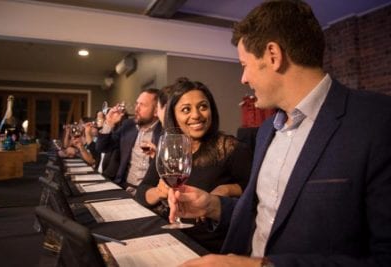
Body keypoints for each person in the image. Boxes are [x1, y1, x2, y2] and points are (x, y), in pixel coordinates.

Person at [167, 1, 391, 266]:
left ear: (273, 55)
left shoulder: (378, 121)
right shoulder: (266, 131)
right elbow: (266, 214)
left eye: (244, 64)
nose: (243, 78)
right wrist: (212, 206)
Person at [135, 78, 252, 253]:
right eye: (186, 109)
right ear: (173, 115)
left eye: (203, 107)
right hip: (167, 236)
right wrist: (159, 192)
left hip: (206, 246)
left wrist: (228, 190)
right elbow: (142, 191)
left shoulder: (230, 148)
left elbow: (255, 193)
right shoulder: (168, 147)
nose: (196, 115)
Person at [96, 88, 162, 195]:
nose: (136, 109)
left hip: (149, 193)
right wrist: (109, 123)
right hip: (124, 187)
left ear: (156, 111)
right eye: (137, 104)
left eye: (142, 105)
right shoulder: (128, 125)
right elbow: (102, 147)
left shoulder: (164, 132)